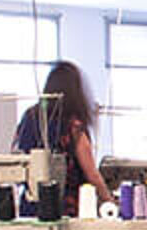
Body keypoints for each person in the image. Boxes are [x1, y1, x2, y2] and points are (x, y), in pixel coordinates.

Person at [17, 59, 103, 215]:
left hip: (30, 209)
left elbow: (17, 159)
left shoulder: (30, 117)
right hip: (65, 211)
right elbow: (92, 174)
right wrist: (111, 202)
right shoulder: (73, 126)